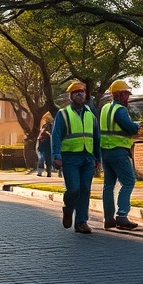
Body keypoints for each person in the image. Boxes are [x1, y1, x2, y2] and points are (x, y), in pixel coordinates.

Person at [52, 81, 101, 234]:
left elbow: (96, 138)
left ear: (86, 95)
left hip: (88, 158)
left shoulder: (90, 115)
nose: (80, 94)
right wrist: (56, 156)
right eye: (76, 92)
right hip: (70, 158)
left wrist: (98, 158)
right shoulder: (63, 114)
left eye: (82, 92)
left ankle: (81, 222)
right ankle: (68, 209)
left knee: (85, 190)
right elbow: (56, 136)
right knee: (74, 189)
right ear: (71, 96)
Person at [99, 79, 141, 230]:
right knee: (129, 182)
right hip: (118, 151)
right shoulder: (120, 110)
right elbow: (129, 128)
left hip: (105, 152)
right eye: (126, 94)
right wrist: (138, 126)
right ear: (120, 95)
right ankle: (122, 216)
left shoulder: (104, 108)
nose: (128, 97)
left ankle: (108, 219)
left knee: (108, 186)